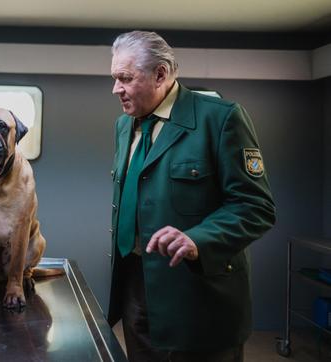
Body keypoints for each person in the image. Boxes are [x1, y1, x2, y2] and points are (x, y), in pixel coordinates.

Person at [107, 31, 276, 361]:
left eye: (125, 78)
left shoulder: (220, 118)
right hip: (136, 287)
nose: (116, 89)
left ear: (160, 74)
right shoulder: (124, 126)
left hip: (198, 294)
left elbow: (256, 206)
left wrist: (199, 238)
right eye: (114, 78)